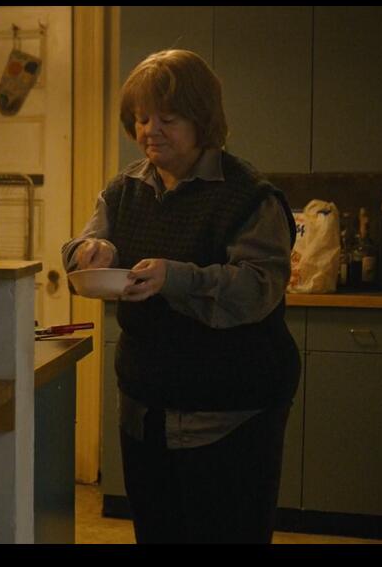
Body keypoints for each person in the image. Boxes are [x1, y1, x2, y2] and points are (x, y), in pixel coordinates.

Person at [61, 49, 300, 543]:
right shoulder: (124, 189)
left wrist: (175, 278)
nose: (150, 130)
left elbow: (258, 288)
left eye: (167, 119)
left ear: (202, 120)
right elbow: (83, 244)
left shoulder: (248, 195)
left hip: (230, 415)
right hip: (144, 410)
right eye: (141, 118)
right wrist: (89, 251)